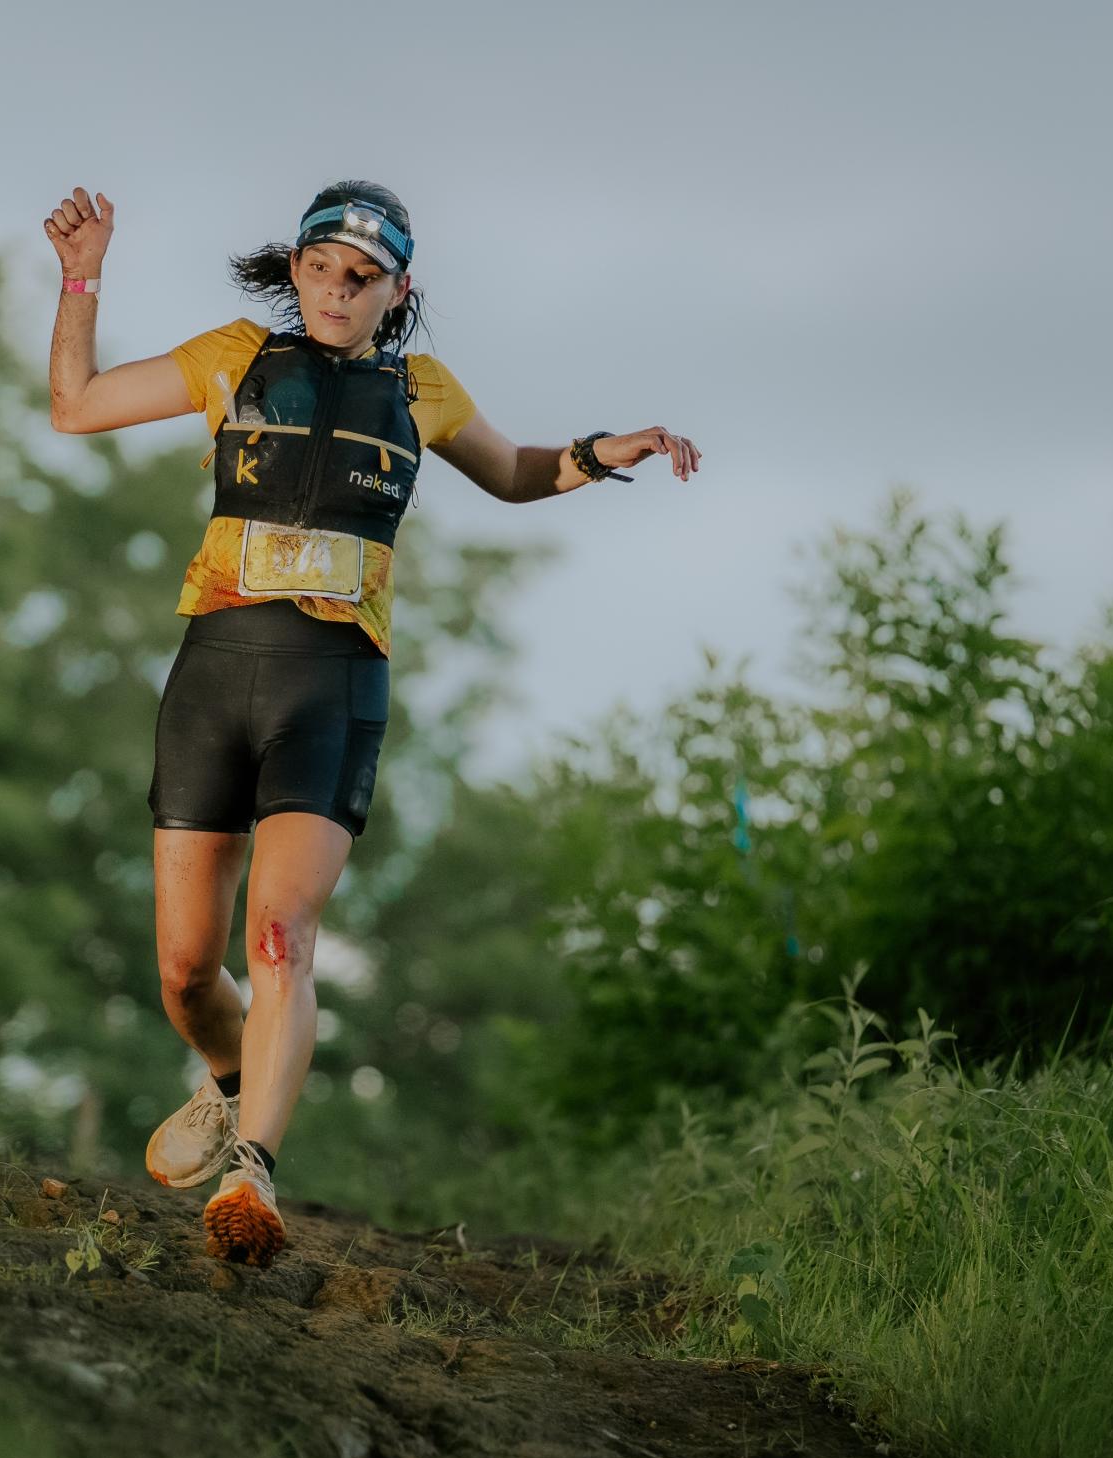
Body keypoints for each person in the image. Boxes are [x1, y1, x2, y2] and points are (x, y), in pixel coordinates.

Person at [43, 181, 700, 1267]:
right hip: (213, 677)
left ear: (398, 290)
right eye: (320, 271)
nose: (336, 293)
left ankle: (253, 1172)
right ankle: (230, 1080)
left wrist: (597, 453)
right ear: (296, 268)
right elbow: (73, 407)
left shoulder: (421, 389)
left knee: (281, 936)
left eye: (361, 279)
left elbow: (513, 472)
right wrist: (81, 279)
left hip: (333, 684)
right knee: (185, 971)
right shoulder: (233, 357)